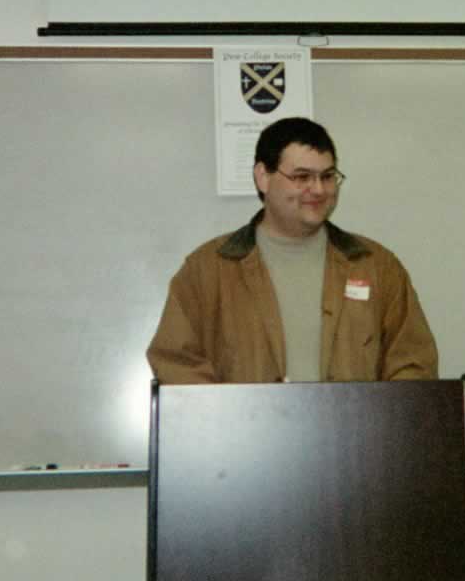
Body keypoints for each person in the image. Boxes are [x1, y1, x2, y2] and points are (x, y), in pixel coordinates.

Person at [147, 116, 437, 383]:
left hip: (358, 427)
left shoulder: (377, 267)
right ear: (263, 177)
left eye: (327, 176)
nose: (319, 189)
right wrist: (229, 419)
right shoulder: (208, 270)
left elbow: (413, 364)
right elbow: (176, 362)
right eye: (302, 177)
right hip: (246, 427)